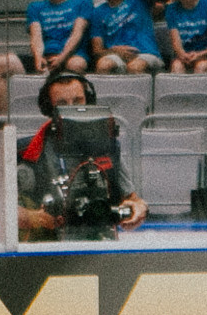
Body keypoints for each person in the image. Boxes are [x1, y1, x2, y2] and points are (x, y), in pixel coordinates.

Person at [16, 73, 147, 239]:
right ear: (49, 108)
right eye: (62, 104)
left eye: (78, 101)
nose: (72, 108)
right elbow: (7, 213)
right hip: (48, 246)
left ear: (88, 101)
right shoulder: (27, 152)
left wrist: (138, 210)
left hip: (101, 242)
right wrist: (34, 218)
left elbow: (134, 200)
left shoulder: (108, 146)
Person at [87, 0, 165, 73]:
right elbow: (97, 51)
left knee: (135, 67)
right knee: (104, 65)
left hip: (146, 54)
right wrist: (114, 51)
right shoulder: (98, 12)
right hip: (116, 55)